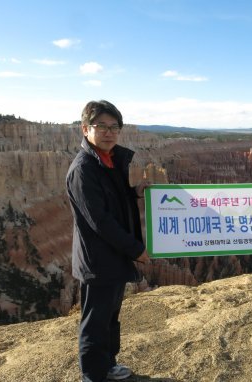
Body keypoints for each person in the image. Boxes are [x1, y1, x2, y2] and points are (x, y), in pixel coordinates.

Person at [66, 100, 150, 382]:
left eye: (114, 127)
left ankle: (108, 365)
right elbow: (100, 221)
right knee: (95, 321)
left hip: (112, 257)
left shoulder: (107, 161)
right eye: (101, 126)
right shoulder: (84, 169)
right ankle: (93, 375)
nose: (109, 132)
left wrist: (135, 192)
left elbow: (112, 201)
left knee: (110, 316)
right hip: (98, 260)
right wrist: (137, 249)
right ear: (86, 128)